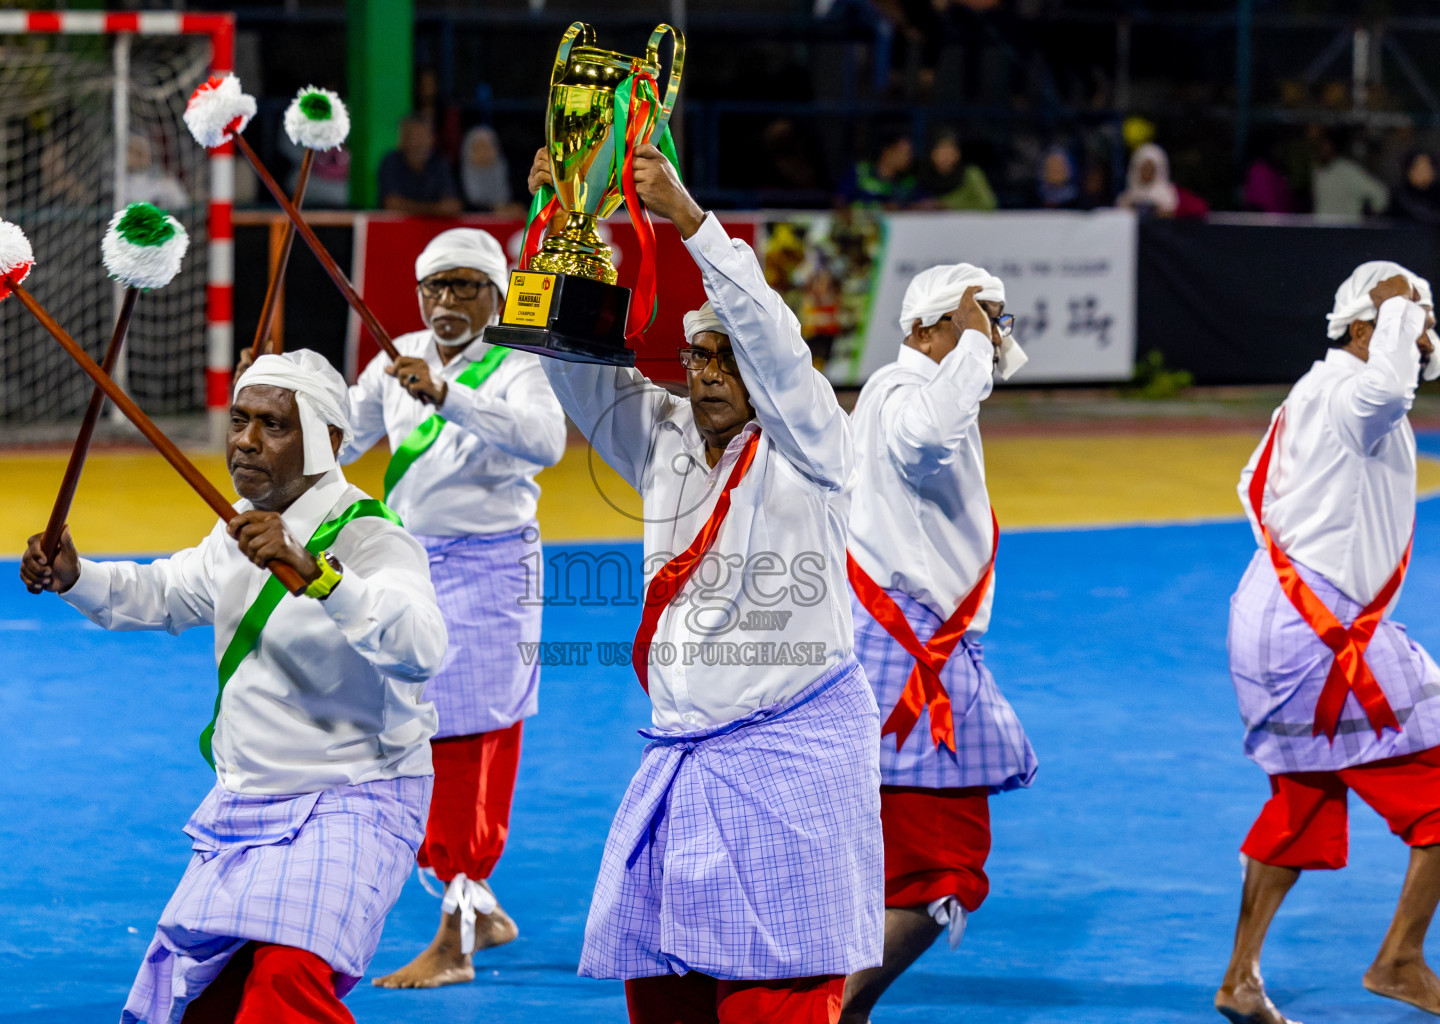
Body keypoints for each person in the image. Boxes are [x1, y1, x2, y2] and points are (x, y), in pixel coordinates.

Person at [528, 143, 884, 1022]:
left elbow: (773, 336)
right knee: (661, 1000)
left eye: (728, 360)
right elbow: (577, 370)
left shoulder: (812, 444)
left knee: (778, 999)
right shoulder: (665, 440)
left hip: (790, 760)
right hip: (683, 758)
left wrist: (687, 217)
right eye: (698, 361)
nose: (710, 375)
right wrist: (557, 232)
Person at [19, 349, 449, 1023]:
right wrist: (79, 578)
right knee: (199, 1004)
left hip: (354, 797)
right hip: (247, 804)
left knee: (287, 983)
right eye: (239, 420)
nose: (246, 441)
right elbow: (165, 593)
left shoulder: (371, 536)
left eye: (273, 424)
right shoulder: (240, 527)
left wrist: (319, 573)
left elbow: (423, 648)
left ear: (327, 440)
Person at [340, 228, 567, 989]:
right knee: (414, 738)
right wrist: (269, 388)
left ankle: (456, 941)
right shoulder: (394, 355)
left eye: (468, 285)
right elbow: (337, 443)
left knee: (474, 742)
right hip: (410, 573)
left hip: (493, 576)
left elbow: (546, 441)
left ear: (498, 295)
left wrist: (447, 395)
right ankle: (479, 907)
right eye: (436, 286)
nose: (448, 300)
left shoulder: (518, 364)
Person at [1217, 262, 1440, 1023]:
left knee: (1305, 795)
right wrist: (1402, 310)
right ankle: (1401, 960)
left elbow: (1255, 484)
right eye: (1413, 323)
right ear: (1363, 330)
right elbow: (1388, 390)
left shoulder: (1309, 392)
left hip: (1281, 610)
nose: (1426, 335)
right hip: (1322, 628)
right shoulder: (1354, 389)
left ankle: (1240, 978)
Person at [839, 264, 1038, 1024]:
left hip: (903, 648)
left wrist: (969, 345)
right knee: (944, 869)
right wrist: (967, 354)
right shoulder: (905, 390)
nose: (995, 337)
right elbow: (924, 444)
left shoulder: (908, 390)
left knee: (896, 865)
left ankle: (838, 1007)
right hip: (911, 655)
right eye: (979, 321)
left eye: (997, 323)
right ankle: (832, 1010)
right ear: (928, 328)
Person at [378, 114, 462, 216]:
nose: (421, 143)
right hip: (395, 230)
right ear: (403, 139)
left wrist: (414, 208)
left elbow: (453, 206)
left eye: (425, 136)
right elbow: (392, 204)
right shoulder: (391, 162)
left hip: (433, 230)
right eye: (415, 136)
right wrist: (435, 209)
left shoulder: (439, 162)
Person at [1116, 142, 1209, 219]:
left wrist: (1173, 213)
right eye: (1143, 168)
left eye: (1151, 168)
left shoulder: (1172, 195)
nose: (1147, 173)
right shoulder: (1126, 198)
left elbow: (1201, 208)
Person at [1310, 128, 1388, 219]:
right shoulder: (1318, 171)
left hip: (1346, 229)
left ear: (1334, 146)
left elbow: (1380, 194)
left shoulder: (1349, 170)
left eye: (1325, 145)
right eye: (1319, 145)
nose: (1321, 149)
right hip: (1321, 230)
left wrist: (1370, 219)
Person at [839, 132, 921, 209]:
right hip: (862, 223)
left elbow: (923, 203)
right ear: (887, 151)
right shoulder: (860, 172)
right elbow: (838, 202)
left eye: (910, 153)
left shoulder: (908, 181)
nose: (909, 158)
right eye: (905, 153)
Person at [920, 131, 998, 211]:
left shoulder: (971, 174)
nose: (945, 156)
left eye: (949, 151)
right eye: (941, 151)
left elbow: (988, 204)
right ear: (932, 154)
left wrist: (947, 205)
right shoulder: (923, 175)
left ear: (957, 154)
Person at [458, 125, 520, 216]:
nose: (483, 153)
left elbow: (518, 204)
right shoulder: (458, 178)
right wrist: (495, 210)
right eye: (478, 148)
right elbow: (463, 207)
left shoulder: (511, 174)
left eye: (487, 147)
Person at [1392, 150, 1440, 225]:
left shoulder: (1437, 193)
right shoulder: (1399, 195)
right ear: (1408, 171)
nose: (1423, 173)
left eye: (1427, 168)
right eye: (1418, 168)